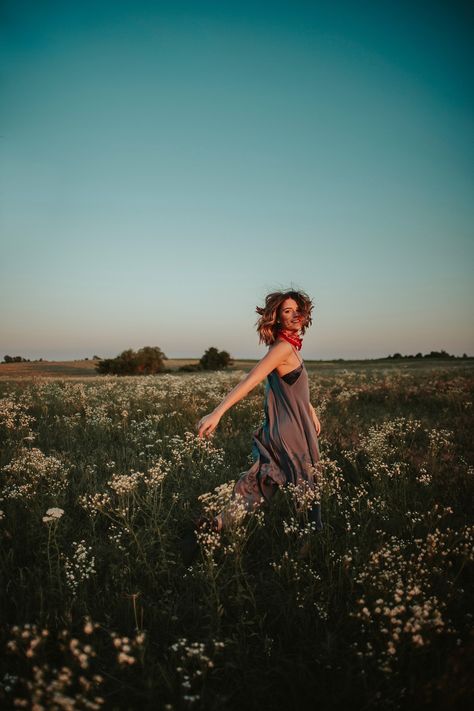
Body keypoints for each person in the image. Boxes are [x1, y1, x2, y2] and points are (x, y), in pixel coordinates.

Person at [180, 289, 323, 566]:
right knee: (308, 492)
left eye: (297, 310)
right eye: (286, 311)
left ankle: (217, 525)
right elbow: (250, 381)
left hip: (283, 429)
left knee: (260, 485)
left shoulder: (288, 347)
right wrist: (217, 412)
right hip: (292, 434)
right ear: (277, 319)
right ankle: (306, 560)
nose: (294, 315)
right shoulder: (282, 348)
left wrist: (311, 410)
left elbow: (292, 389)